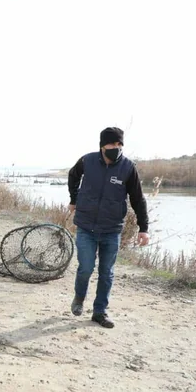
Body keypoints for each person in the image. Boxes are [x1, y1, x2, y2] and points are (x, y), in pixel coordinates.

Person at [67, 127, 149, 328]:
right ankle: (79, 298)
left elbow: (138, 199)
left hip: (112, 229)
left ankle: (99, 312)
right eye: (112, 144)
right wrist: (74, 199)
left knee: (106, 272)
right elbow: (72, 176)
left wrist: (143, 228)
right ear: (103, 145)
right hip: (86, 226)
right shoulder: (87, 161)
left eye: (120, 144)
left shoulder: (128, 168)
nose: (116, 148)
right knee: (85, 268)